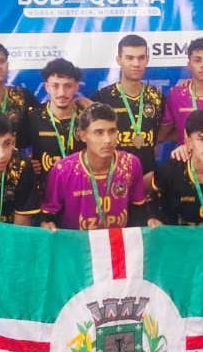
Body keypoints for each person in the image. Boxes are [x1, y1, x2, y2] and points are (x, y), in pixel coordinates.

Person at [41, 103, 148, 231]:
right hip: (77, 242)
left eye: (112, 131)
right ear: (82, 135)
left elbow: (138, 213)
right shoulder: (63, 170)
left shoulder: (130, 164)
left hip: (116, 242)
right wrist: (47, 225)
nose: (107, 140)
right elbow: (50, 217)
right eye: (99, 132)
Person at [91, 34, 163, 186]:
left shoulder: (157, 97)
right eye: (130, 58)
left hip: (148, 179)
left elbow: (166, 131)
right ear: (119, 60)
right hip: (111, 180)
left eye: (141, 58)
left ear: (147, 60)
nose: (136, 63)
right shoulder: (102, 97)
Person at [29, 58, 86, 190]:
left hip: (82, 190)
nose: (61, 93)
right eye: (55, 86)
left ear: (76, 86)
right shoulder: (32, 117)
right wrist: (26, 164)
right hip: (44, 192)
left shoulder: (87, 117)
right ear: (46, 87)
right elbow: (14, 147)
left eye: (68, 86)